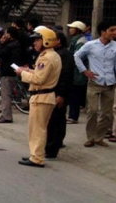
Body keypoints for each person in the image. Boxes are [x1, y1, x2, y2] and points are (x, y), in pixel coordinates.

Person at [16, 27, 62, 168]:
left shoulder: (47, 57)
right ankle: (35, 154)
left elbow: (39, 79)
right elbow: (39, 74)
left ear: (46, 41)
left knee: (38, 129)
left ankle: (37, 157)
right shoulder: (48, 55)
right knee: (37, 128)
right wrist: (28, 70)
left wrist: (21, 73)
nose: (35, 43)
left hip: (42, 96)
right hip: (42, 96)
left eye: (37, 40)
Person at [74, 20, 116, 147]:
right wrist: (84, 71)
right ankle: (90, 137)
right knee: (92, 111)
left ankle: (99, 137)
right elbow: (77, 56)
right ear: (103, 32)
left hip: (110, 83)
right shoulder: (91, 45)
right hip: (94, 82)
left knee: (107, 113)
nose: (115, 33)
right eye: (112, 30)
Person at [45, 31, 74, 159]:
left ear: (59, 41)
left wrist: (61, 94)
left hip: (59, 92)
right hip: (53, 91)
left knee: (55, 121)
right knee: (53, 120)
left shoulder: (64, 55)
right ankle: (52, 145)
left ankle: (52, 149)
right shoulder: (55, 54)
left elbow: (65, 76)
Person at [0, 27, 23, 123]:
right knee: (6, 94)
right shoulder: (17, 44)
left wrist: (1, 43)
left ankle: (6, 116)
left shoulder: (10, 46)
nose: (5, 35)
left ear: (10, 34)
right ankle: (4, 114)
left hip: (7, 73)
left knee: (6, 95)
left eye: (6, 33)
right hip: (12, 72)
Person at [66, 21, 88, 124]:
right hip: (74, 72)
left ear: (78, 30)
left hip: (78, 73)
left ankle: (73, 117)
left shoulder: (81, 42)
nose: (70, 29)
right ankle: (71, 115)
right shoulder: (75, 40)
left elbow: (77, 57)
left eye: (72, 28)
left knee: (75, 95)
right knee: (72, 95)